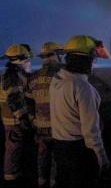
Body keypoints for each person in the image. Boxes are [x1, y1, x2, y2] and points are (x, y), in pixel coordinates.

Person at [49, 35, 110, 188]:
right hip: (79, 151)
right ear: (86, 60)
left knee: (62, 182)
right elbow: (90, 130)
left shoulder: (57, 80)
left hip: (59, 145)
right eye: (93, 59)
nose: (94, 63)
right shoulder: (83, 88)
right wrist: (101, 157)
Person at [26, 42, 64, 188]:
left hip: (40, 127)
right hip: (58, 127)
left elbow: (29, 102)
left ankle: (41, 182)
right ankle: (55, 183)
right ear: (57, 56)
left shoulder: (33, 77)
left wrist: (34, 121)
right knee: (57, 158)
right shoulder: (61, 76)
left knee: (42, 156)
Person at [0, 44, 34, 187]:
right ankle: (10, 180)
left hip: (12, 120)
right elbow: (14, 99)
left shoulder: (15, 73)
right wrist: (23, 118)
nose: (29, 62)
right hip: (13, 121)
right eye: (27, 60)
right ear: (21, 59)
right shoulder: (13, 76)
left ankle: (14, 176)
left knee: (16, 149)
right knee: (13, 150)